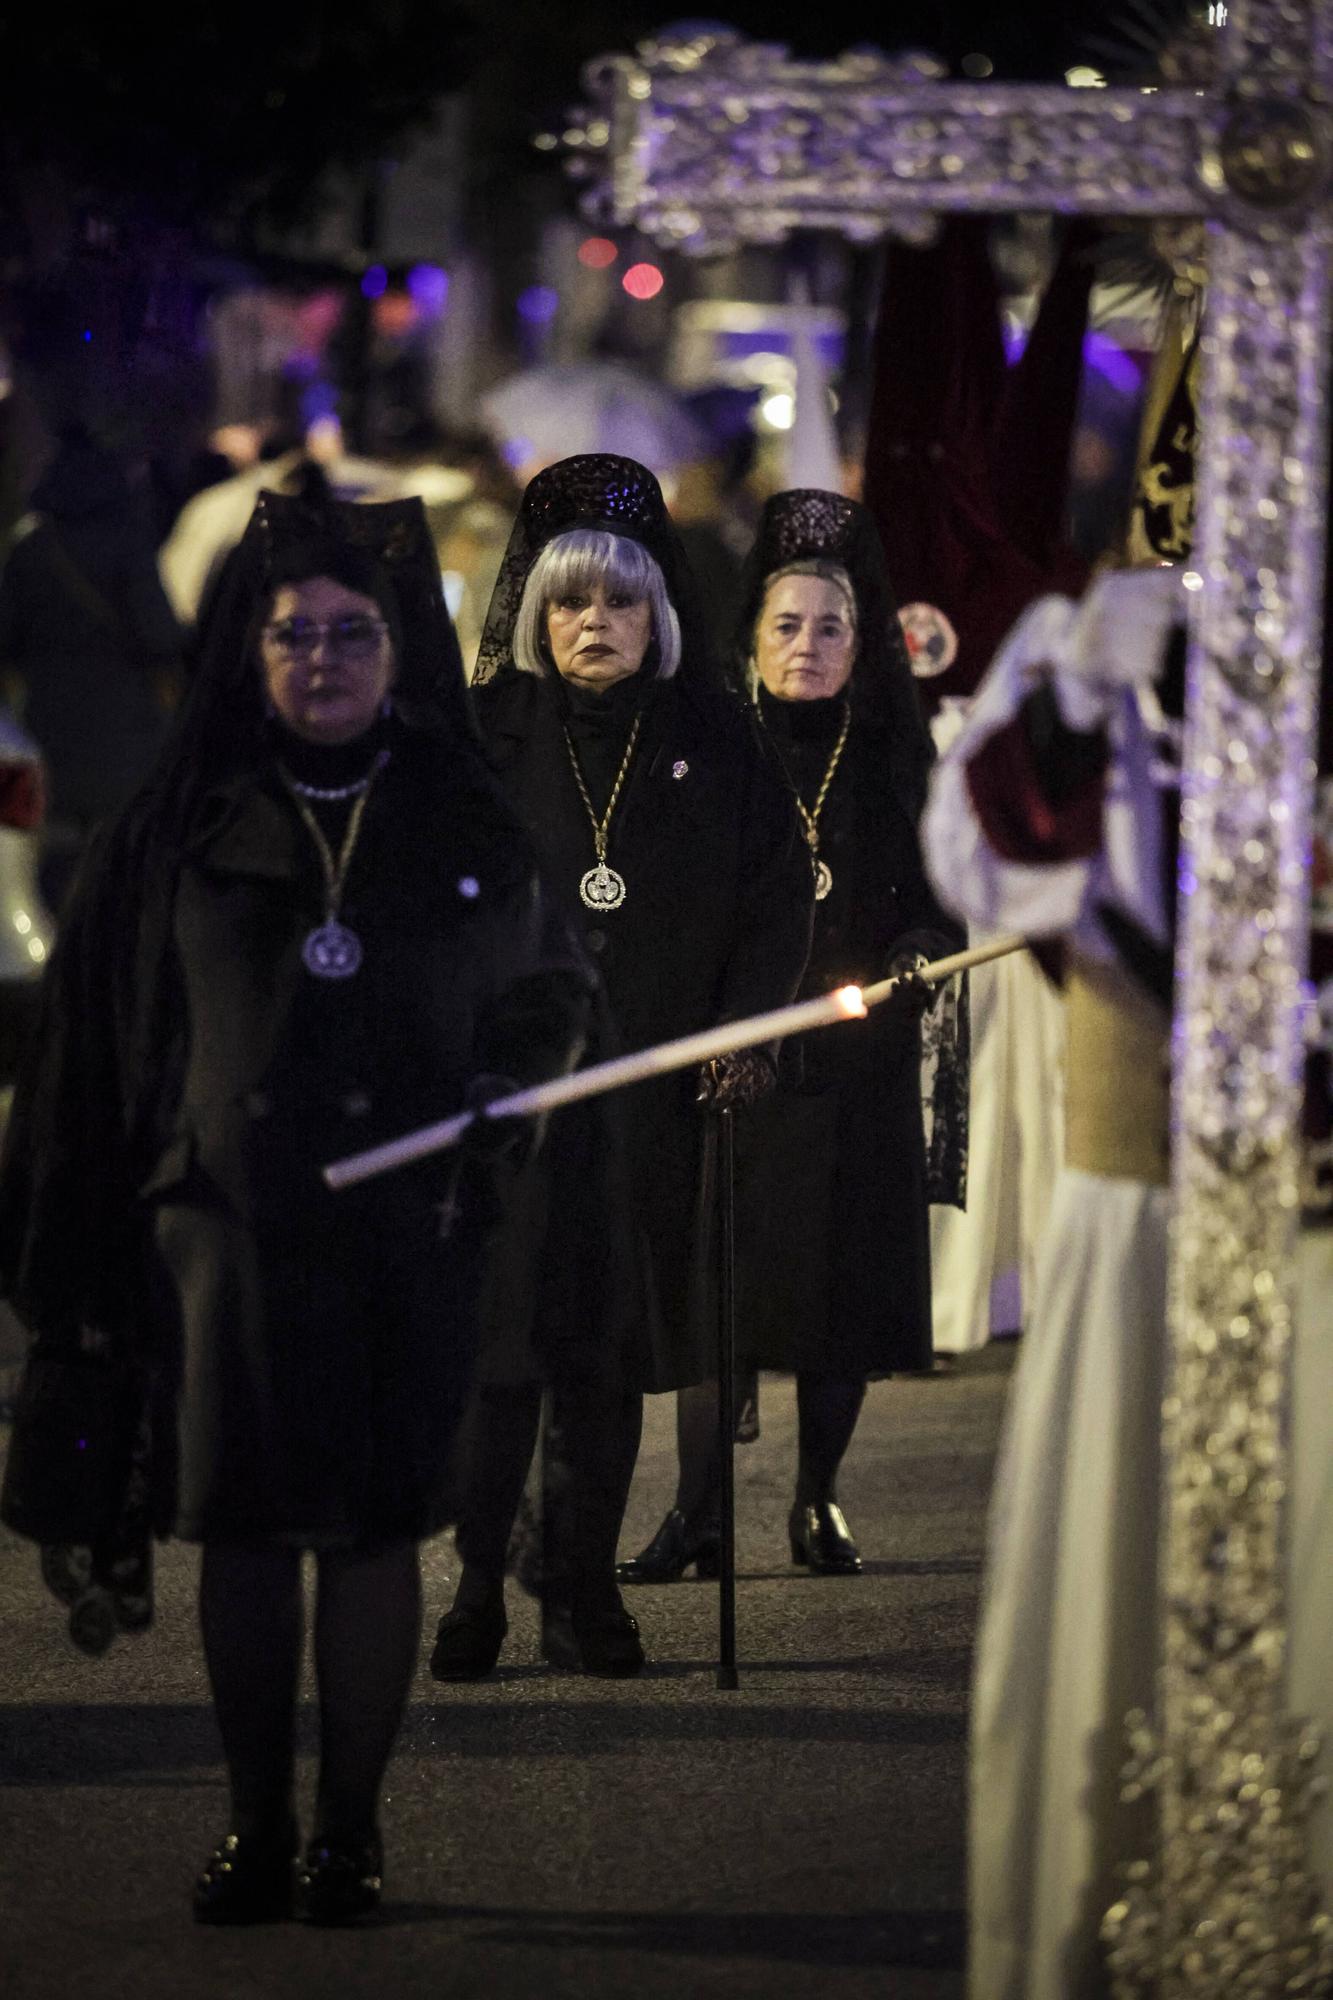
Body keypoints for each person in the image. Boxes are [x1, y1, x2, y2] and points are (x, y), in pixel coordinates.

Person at [0, 490, 591, 1925]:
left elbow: (550, 989)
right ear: (250, 651)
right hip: (227, 1238)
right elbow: (99, 1029)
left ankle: (350, 1831)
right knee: (252, 1530)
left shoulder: (460, 812)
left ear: (396, 651)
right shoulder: (183, 819)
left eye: (351, 634)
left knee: (377, 1531)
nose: (323, 659)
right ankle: (256, 1828)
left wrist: (506, 1094)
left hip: (410, 1228)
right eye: (293, 636)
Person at [427, 452, 812, 1679]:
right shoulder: (488, 739)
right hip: (510, 1107)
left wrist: (746, 1029)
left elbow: (772, 907)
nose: (596, 624)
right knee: (497, 1361)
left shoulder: (718, 736)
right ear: (537, 616)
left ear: (661, 614)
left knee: (601, 1359)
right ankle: (480, 1582)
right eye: (570, 603)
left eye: (622, 602)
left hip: (647, 1098)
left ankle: (583, 1590)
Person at [618, 489, 965, 1585]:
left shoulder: (890, 754)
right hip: (743, 1052)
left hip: (858, 1056)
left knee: (840, 1290)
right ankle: (699, 1510)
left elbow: (937, 896)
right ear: (749, 638)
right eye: (785, 625)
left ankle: (817, 1496)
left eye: (829, 626)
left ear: (861, 643)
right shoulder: (712, 749)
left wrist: (914, 948)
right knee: (725, 1289)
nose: (805, 645)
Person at [0, 426, 182, 907]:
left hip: (52, 727)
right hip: (126, 729)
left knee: (57, 860)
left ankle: (61, 958)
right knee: (122, 861)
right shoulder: (130, 548)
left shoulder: (30, 549)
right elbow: (161, 636)